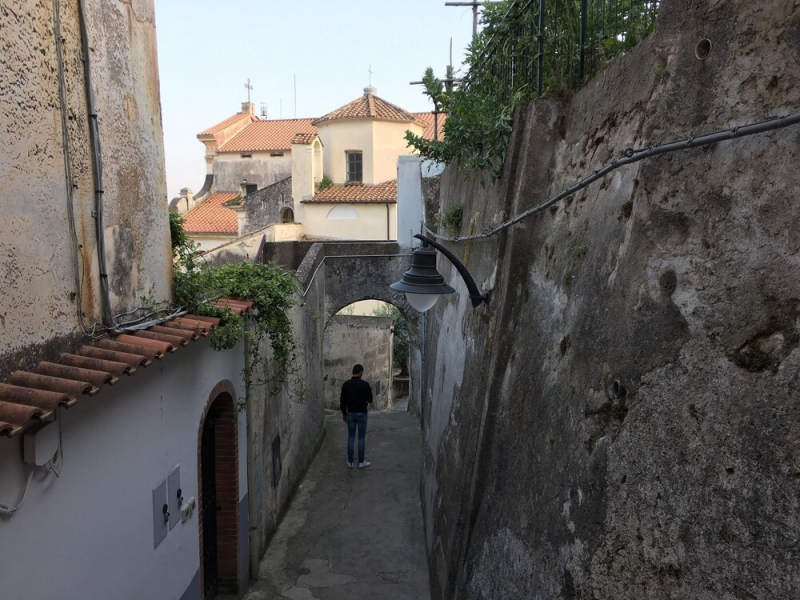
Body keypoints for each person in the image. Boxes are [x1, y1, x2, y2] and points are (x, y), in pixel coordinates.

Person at [340, 363, 373, 468]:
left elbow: (342, 401)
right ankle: (361, 461)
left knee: (351, 437)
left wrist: (344, 414)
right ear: (361, 373)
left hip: (351, 413)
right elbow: (370, 399)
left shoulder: (346, 385)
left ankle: (350, 461)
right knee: (361, 438)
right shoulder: (365, 384)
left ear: (353, 372)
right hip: (362, 414)